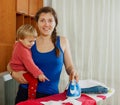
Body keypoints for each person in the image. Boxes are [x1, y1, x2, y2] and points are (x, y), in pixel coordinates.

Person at [7, 6, 79, 104]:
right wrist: (13, 74)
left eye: (50, 20)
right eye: (42, 20)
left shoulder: (63, 41)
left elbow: (69, 66)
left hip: (51, 97)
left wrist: (72, 71)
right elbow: (11, 64)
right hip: (26, 93)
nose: (46, 24)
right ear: (37, 23)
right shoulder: (29, 42)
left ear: (55, 23)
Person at [9, 24, 49, 100]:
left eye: (34, 41)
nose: (32, 44)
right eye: (30, 41)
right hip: (19, 69)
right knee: (33, 80)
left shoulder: (18, 44)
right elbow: (30, 64)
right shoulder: (23, 51)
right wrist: (39, 74)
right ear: (21, 39)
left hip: (16, 67)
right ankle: (31, 98)